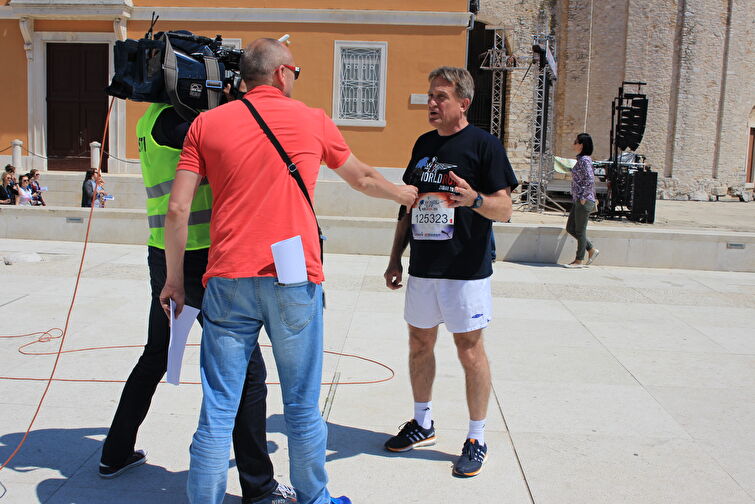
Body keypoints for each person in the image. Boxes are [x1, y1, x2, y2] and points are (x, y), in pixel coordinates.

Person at [159, 38, 417, 504]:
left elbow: (177, 210)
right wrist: (405, 196)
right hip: (293, 278)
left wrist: (174, 280)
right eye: (295, 71)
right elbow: (362, 178)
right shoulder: (313, 120)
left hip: (227, 276)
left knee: (218, 405)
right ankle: (314, 498)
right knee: (300, 403)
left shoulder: (206, 124)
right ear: (282, 73)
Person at [99, 97, 297, 504]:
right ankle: (259, 488)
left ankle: (115, 451)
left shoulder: (150, 117)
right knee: (247, 372)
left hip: (164, 251)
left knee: (154, 355)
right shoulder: (180, 122)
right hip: (201, 256)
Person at [383, 67, 517, 478]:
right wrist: (394, 258)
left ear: (464, 102)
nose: (432, 103)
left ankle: (476, 437)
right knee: (419, 342)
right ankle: (422, 424)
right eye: (430, 95)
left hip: (465, 270)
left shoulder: (484, 146)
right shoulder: (423, 145)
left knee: (469, 349)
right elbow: (408, 207)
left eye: (441, 96)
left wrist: (473, 199)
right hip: (424, 267)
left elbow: (505, 208)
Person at [564, 132, 599, 268]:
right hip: (578, 199)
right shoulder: (581, 160)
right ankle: (591, 249)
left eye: (576, 142)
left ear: (581, 145)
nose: (573, 144)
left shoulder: (584, 160)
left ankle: (579, 260)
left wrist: (584, 197)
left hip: (583, 200)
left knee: (580, 230)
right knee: (571, 227)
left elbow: (590, 180)